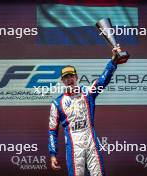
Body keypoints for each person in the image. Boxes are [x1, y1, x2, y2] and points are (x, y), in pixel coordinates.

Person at [48, 47, 128, 176]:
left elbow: (103, 80)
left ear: (76, 77)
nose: (69, 79)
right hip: (74, 146)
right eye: (66, 77)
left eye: (71, 76)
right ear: (62, 81)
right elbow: (52, 131)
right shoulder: (57, 103)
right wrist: (53, 154)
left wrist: (113, 61)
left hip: (91, 142)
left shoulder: (87, 93)